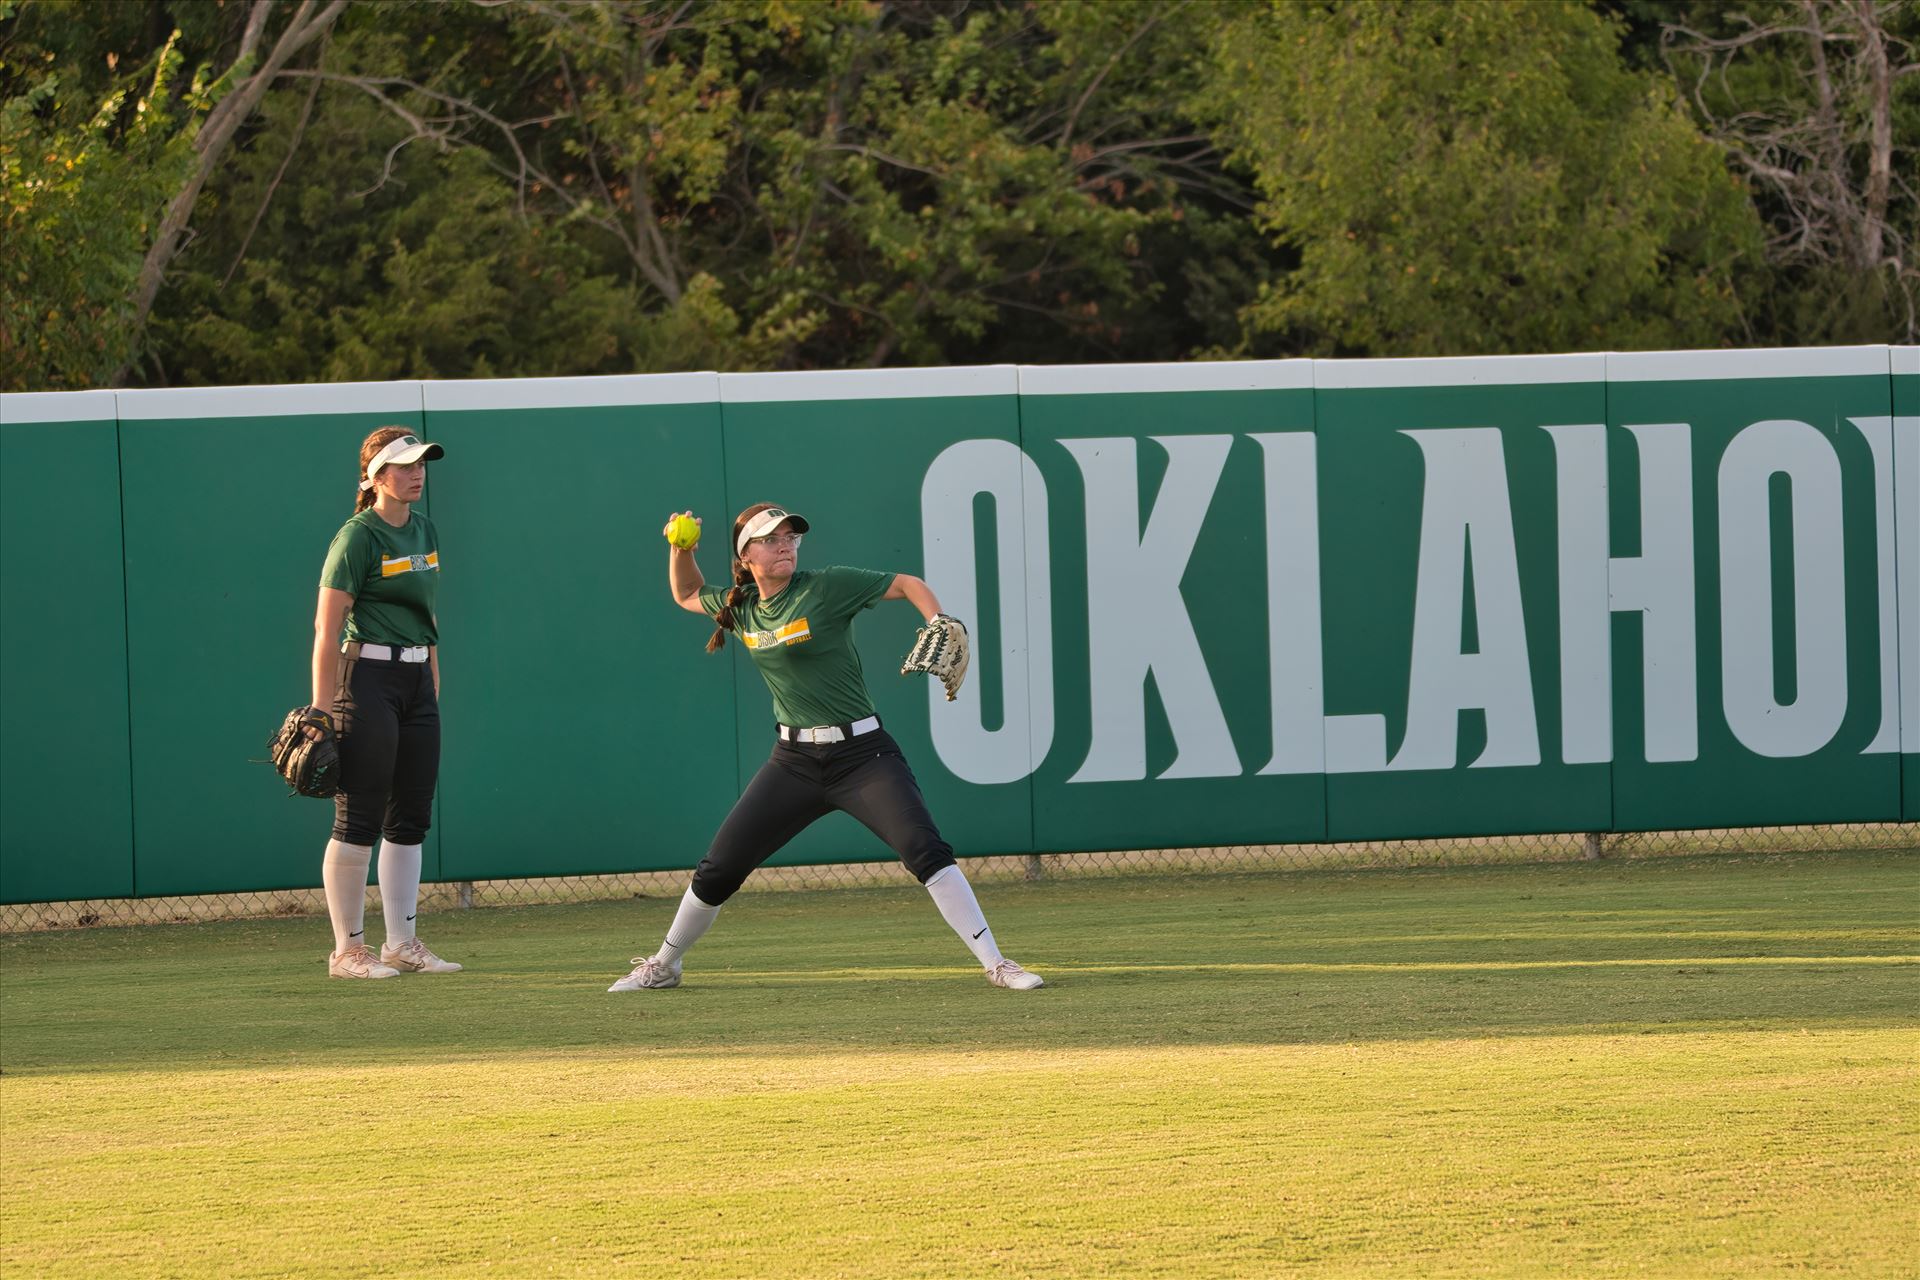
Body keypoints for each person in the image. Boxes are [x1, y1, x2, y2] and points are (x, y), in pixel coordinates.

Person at [609, 503, 1044, 993]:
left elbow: (906, 584)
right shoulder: (742, 605)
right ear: (745, 553)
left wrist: (939, 618)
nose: (785, 545)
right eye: (772, 539)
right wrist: (681, 547)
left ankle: (996, 963)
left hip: (863, 756)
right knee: (719, 868)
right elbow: (687, 592)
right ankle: (665, 965)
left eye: (791, 536)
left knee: (925, 849)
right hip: (793, 763)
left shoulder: (825, 586)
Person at [307, 426, 462, 980]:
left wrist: (432, 676)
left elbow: (429, 614)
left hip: (416, 679)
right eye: (404, 466)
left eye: (422, 464)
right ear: (376, 476)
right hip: (365, 677)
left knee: (411, 817)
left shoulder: (423, 530)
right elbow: (327, 631)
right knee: (359, 816)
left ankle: (403, 943)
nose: (417, 473)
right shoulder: (357, 537)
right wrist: (321, 711)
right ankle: (347, 951)